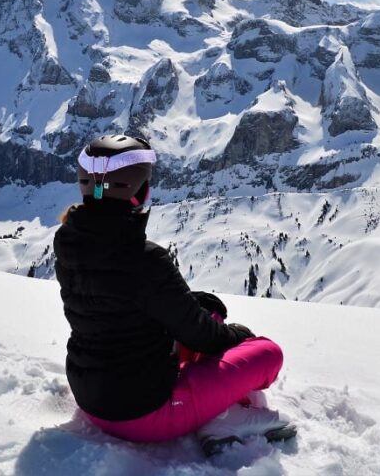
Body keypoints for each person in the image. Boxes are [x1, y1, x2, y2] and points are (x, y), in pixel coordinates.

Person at [54, 134, 293, 453]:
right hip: (143, 414)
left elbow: (119, 302)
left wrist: (194, 305)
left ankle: (208, 399)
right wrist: (237, 335)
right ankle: (222, 419)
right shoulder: (143, 258)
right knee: (268, 353)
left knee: (205, 312)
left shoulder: (69, 241)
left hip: (90, 396)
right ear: (139, 192)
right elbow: (203, 336)